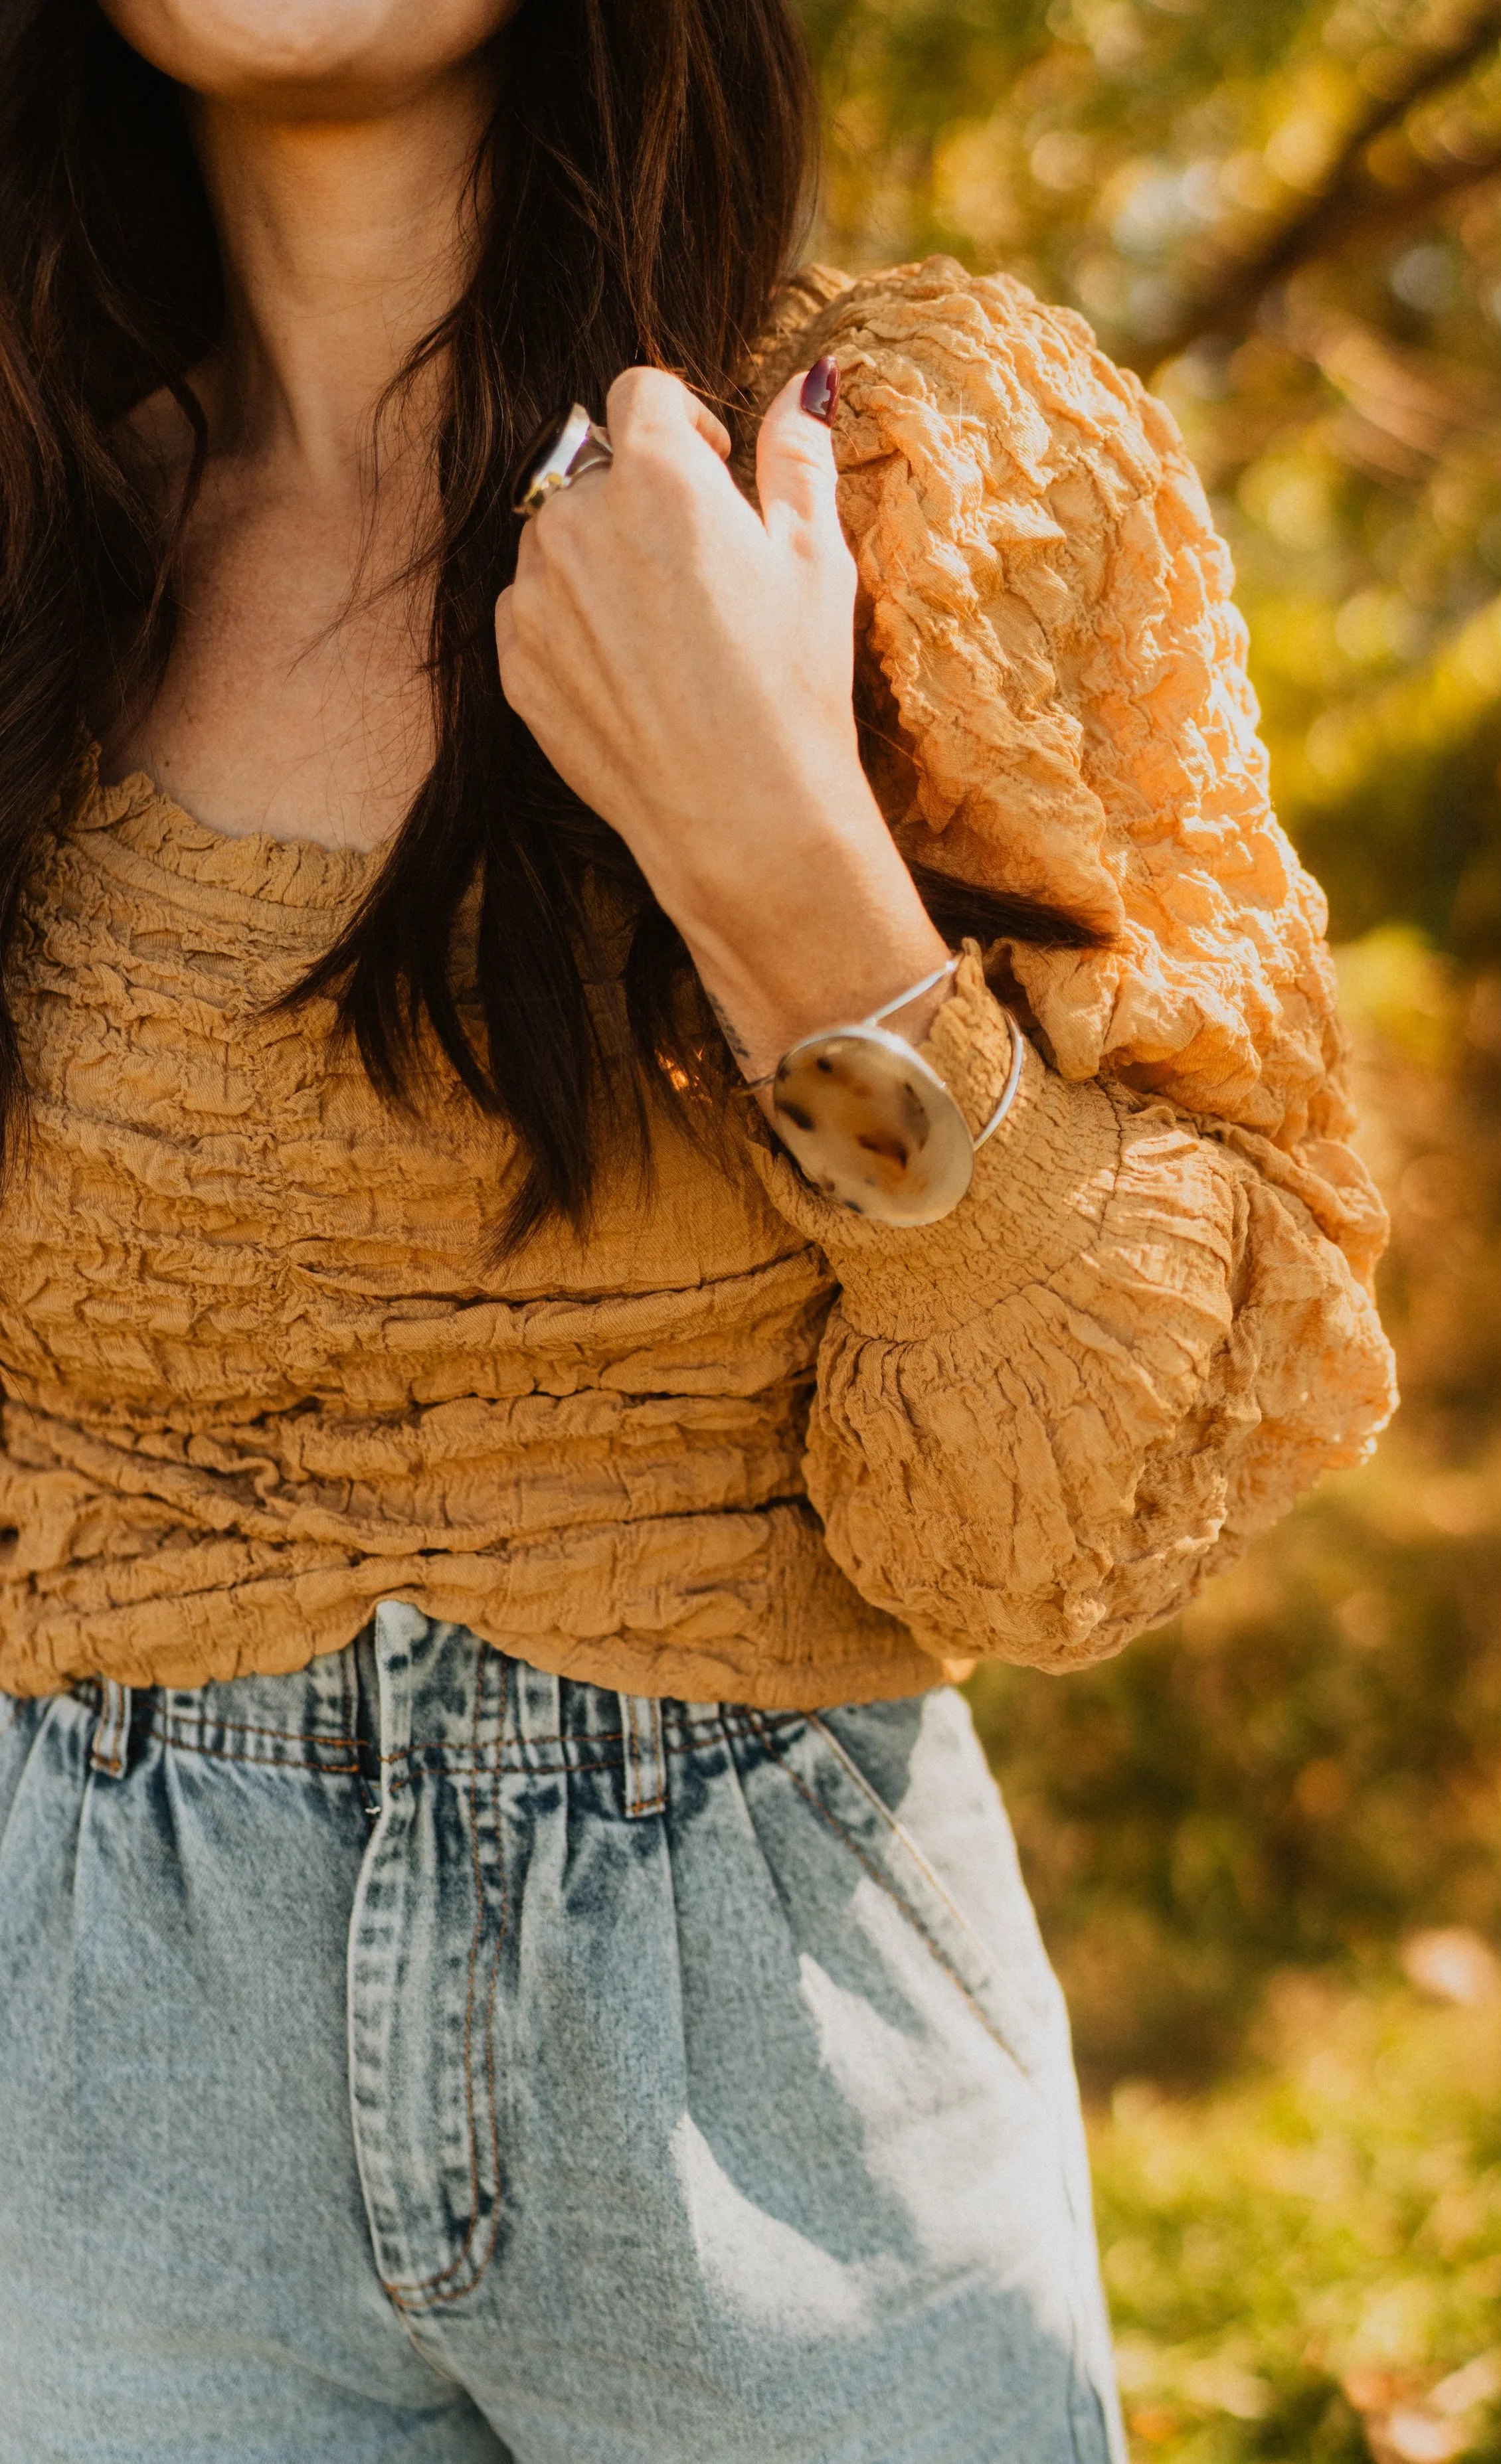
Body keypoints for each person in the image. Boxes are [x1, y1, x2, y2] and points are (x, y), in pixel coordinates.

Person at [0, 2, 1395, 2459]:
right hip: (87, 2096)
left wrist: (791, 885)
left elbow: (1108, 1481)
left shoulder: (892, 484)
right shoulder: (31, 539)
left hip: (787, 2091)